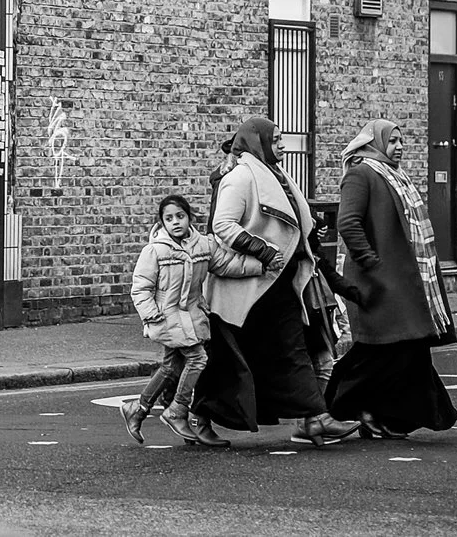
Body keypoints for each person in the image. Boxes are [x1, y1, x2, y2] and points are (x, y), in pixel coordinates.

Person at [196, 116, 361, 446]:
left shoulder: (277, 175)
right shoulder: (241, 177)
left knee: (291, 350)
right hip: (250, 285)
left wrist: (311, 231)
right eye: (275, 140)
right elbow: (223, 225)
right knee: (231, 359)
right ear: (257, 142)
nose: (283, 145)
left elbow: (295, 223)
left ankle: (315, 419)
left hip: (280, 282)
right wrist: (264, 250)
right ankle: (190, 415)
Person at [324, 119, 457, 438]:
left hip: (404, 279)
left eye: (401, 141)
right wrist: (370, 262)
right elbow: (348, 223)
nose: (399, 147)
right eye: (392, 141)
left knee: (406, 347)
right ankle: (338, 408)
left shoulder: (395, 175)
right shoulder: (361, 173)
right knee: (383, 348)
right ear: (374, 143)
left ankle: (385, 416)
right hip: (378, 280)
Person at [122, 193, 248, 447]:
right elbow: (140, 288)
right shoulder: (155, 251)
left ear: (189, 218)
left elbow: (225, 265)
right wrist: (151, 314)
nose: (175, 222)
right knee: (198, 359)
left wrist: (262, 264)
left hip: (191, 316)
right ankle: (177, 409)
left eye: (180, 216)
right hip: (166, 318)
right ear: (162, 223)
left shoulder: (203, 245)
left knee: (171, 367)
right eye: (169, 219)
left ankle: (138, 408)